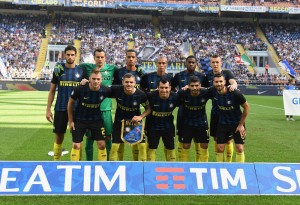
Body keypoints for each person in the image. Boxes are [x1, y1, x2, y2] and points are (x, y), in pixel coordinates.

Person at [79, 48, 118, 161]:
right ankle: (89, 163)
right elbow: (75, 68)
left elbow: (125, 72)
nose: (100, 59)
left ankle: (109, 162)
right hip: (91, 110)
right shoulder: (87, 67)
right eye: (98, 57)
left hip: (106, 110)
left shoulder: (112, 68)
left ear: (105, 58)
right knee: (90, 139)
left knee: (108, 137)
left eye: (102, 57)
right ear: (94, 58)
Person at [46, 45, 84, 161]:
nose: (70, 57)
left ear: (76, 56)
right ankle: (56, 161)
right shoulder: (59, 70)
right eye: (68, 54)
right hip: (61, 108)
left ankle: (77, 164)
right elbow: (52, 91)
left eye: (72, 55)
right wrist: (48, 109)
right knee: (59, 136)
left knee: (77, 139)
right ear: (64, 55)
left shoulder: (81, 71)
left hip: (77, 110)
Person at [68, 69, 112, 161]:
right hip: (80, 119)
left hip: (96, 120)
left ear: (101, 80)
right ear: (89, 79)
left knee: (102, 144)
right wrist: (71, 121)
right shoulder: (80, 89)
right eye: (94, 79)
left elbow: (119, 92)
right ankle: (74, 167)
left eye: (98, 79)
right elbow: (70, 103)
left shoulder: (105, 90)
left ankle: (102, 167)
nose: (96, 81)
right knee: (76, 145)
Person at [204, 54, 238, 162]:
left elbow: (233, 82)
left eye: (217, 62)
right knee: (216, 138)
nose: (215, 64)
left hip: (227, 113)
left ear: (221, 63)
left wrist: (234, 86)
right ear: (210, 63)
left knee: (228, 140)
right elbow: (204, 89)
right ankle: (219, 164)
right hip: (215, 112)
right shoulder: (208, 75)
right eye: (213, 62)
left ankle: (228, 163)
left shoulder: (227, 73)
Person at [171, 55, 206, 162]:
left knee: (199, 142)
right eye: (189, 62)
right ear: (186, 63)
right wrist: (179, 92)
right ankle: (183, 165)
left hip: (199, 113)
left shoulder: (201, 76)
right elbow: (171, 88)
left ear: (196, 64)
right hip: (183, 113)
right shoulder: (178, 75)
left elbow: (207, 90)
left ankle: (199, 165)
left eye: (193, 62)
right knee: (184, 141)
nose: (191, 64)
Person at [113, 49, 146, 161]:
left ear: (136, 58)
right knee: (118, 144)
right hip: (120, 114)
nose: (131, 59)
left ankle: (138, 166)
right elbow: (112, 89)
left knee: (137, 143)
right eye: (129, 57)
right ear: (125, 57)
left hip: (135, 113)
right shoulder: (119, 72)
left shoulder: (141, 72)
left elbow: (146, 89)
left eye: (133, 57)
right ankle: (117, 166)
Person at [109, 73, 151, 161]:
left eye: (131, 82)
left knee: (142, 146)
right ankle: (115, 167)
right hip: (119, 122)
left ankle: (140, 168)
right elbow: (101, 88)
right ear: (122, 82)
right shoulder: (116, 89)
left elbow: (148, 109)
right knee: (114, 147)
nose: (129, 84)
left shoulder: (141, 94)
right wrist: (87, 82)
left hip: (135, 123)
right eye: (126, 82)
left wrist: (141, 116)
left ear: (135, 82)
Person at [210, 73, 250, 162]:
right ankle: (220, 169)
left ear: (224, 82)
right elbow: (201, 90)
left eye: (221, 81)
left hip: (237, 124)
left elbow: (247, 107)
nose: (219, 84)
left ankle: (240, 169)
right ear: (213, 83)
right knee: (220, 148)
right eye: (216, 82)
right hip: (222, 123)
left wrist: (241, 125)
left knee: (239, 148)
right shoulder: (212, 91)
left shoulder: (235, 93)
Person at [177, 76, 210, 162]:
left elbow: (217, 90)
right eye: (192, 86)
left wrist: (232, 86)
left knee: (204, 145)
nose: (194, 88)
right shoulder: (182, 93)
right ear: (188, 86)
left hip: (202, 122)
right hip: (187, 123)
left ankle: (204, 166)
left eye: (196, 85)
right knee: (186, 145)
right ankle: (185, 167)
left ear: (200, 86)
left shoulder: (206, 92)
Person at [146, 78, 179, 161]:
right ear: (158, 88)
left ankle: (171, 169)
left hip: (168, 126)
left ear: (170, 88)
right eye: (161, 87)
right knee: (151, 148)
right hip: (152, 126)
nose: (164, 90)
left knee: (171, 148)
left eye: (166, 87)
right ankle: (150, 171)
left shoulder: (175, 97)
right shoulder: (150, 96)